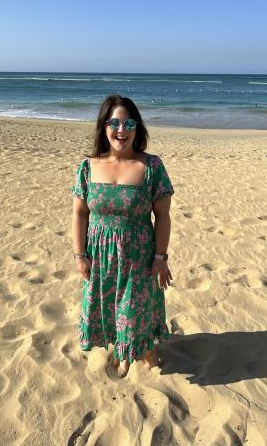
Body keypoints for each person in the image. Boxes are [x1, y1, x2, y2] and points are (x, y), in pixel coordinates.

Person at [71, 94, 174, 378]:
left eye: (129, 122)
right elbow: (80, 214)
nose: (121, 129)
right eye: (114, 122)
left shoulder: (151, 167)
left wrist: (160, 257)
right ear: (104, 127)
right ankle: (123, 348)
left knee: (134, 311)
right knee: (109, 309)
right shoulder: (87, 167)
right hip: (101, 257)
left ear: (137, 127)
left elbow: (163, 216)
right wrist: (80, 255)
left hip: (139, 257)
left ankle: (144, 349)